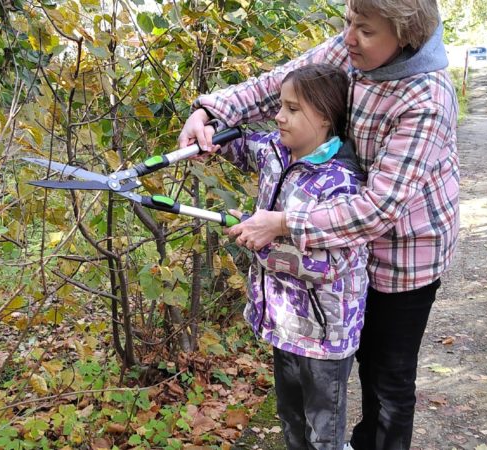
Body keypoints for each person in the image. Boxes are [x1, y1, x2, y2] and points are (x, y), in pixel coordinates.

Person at [178, 1, 459, 449]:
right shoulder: (354, 48)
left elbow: (378, 209)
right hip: (338, 245)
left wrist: (284, 222)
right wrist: (212, 114)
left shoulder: (426, 97)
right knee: (335, 356)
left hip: (404, 253)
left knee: (386, 381)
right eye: (349, 23)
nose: (349, 38)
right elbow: (278, 86)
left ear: (404, 37)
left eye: (365, 31)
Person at [214, 63, 369, 450]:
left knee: (323, 432)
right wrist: (209, 138)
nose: (279, 117)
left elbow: (331, 265)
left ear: (324, 116)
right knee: (291, 422)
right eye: (280, 106)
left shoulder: (340, 183)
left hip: (324, 336)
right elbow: (239, 146)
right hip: (284, 325)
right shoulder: (276, 152)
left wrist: (260, 240)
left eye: (293, 109)